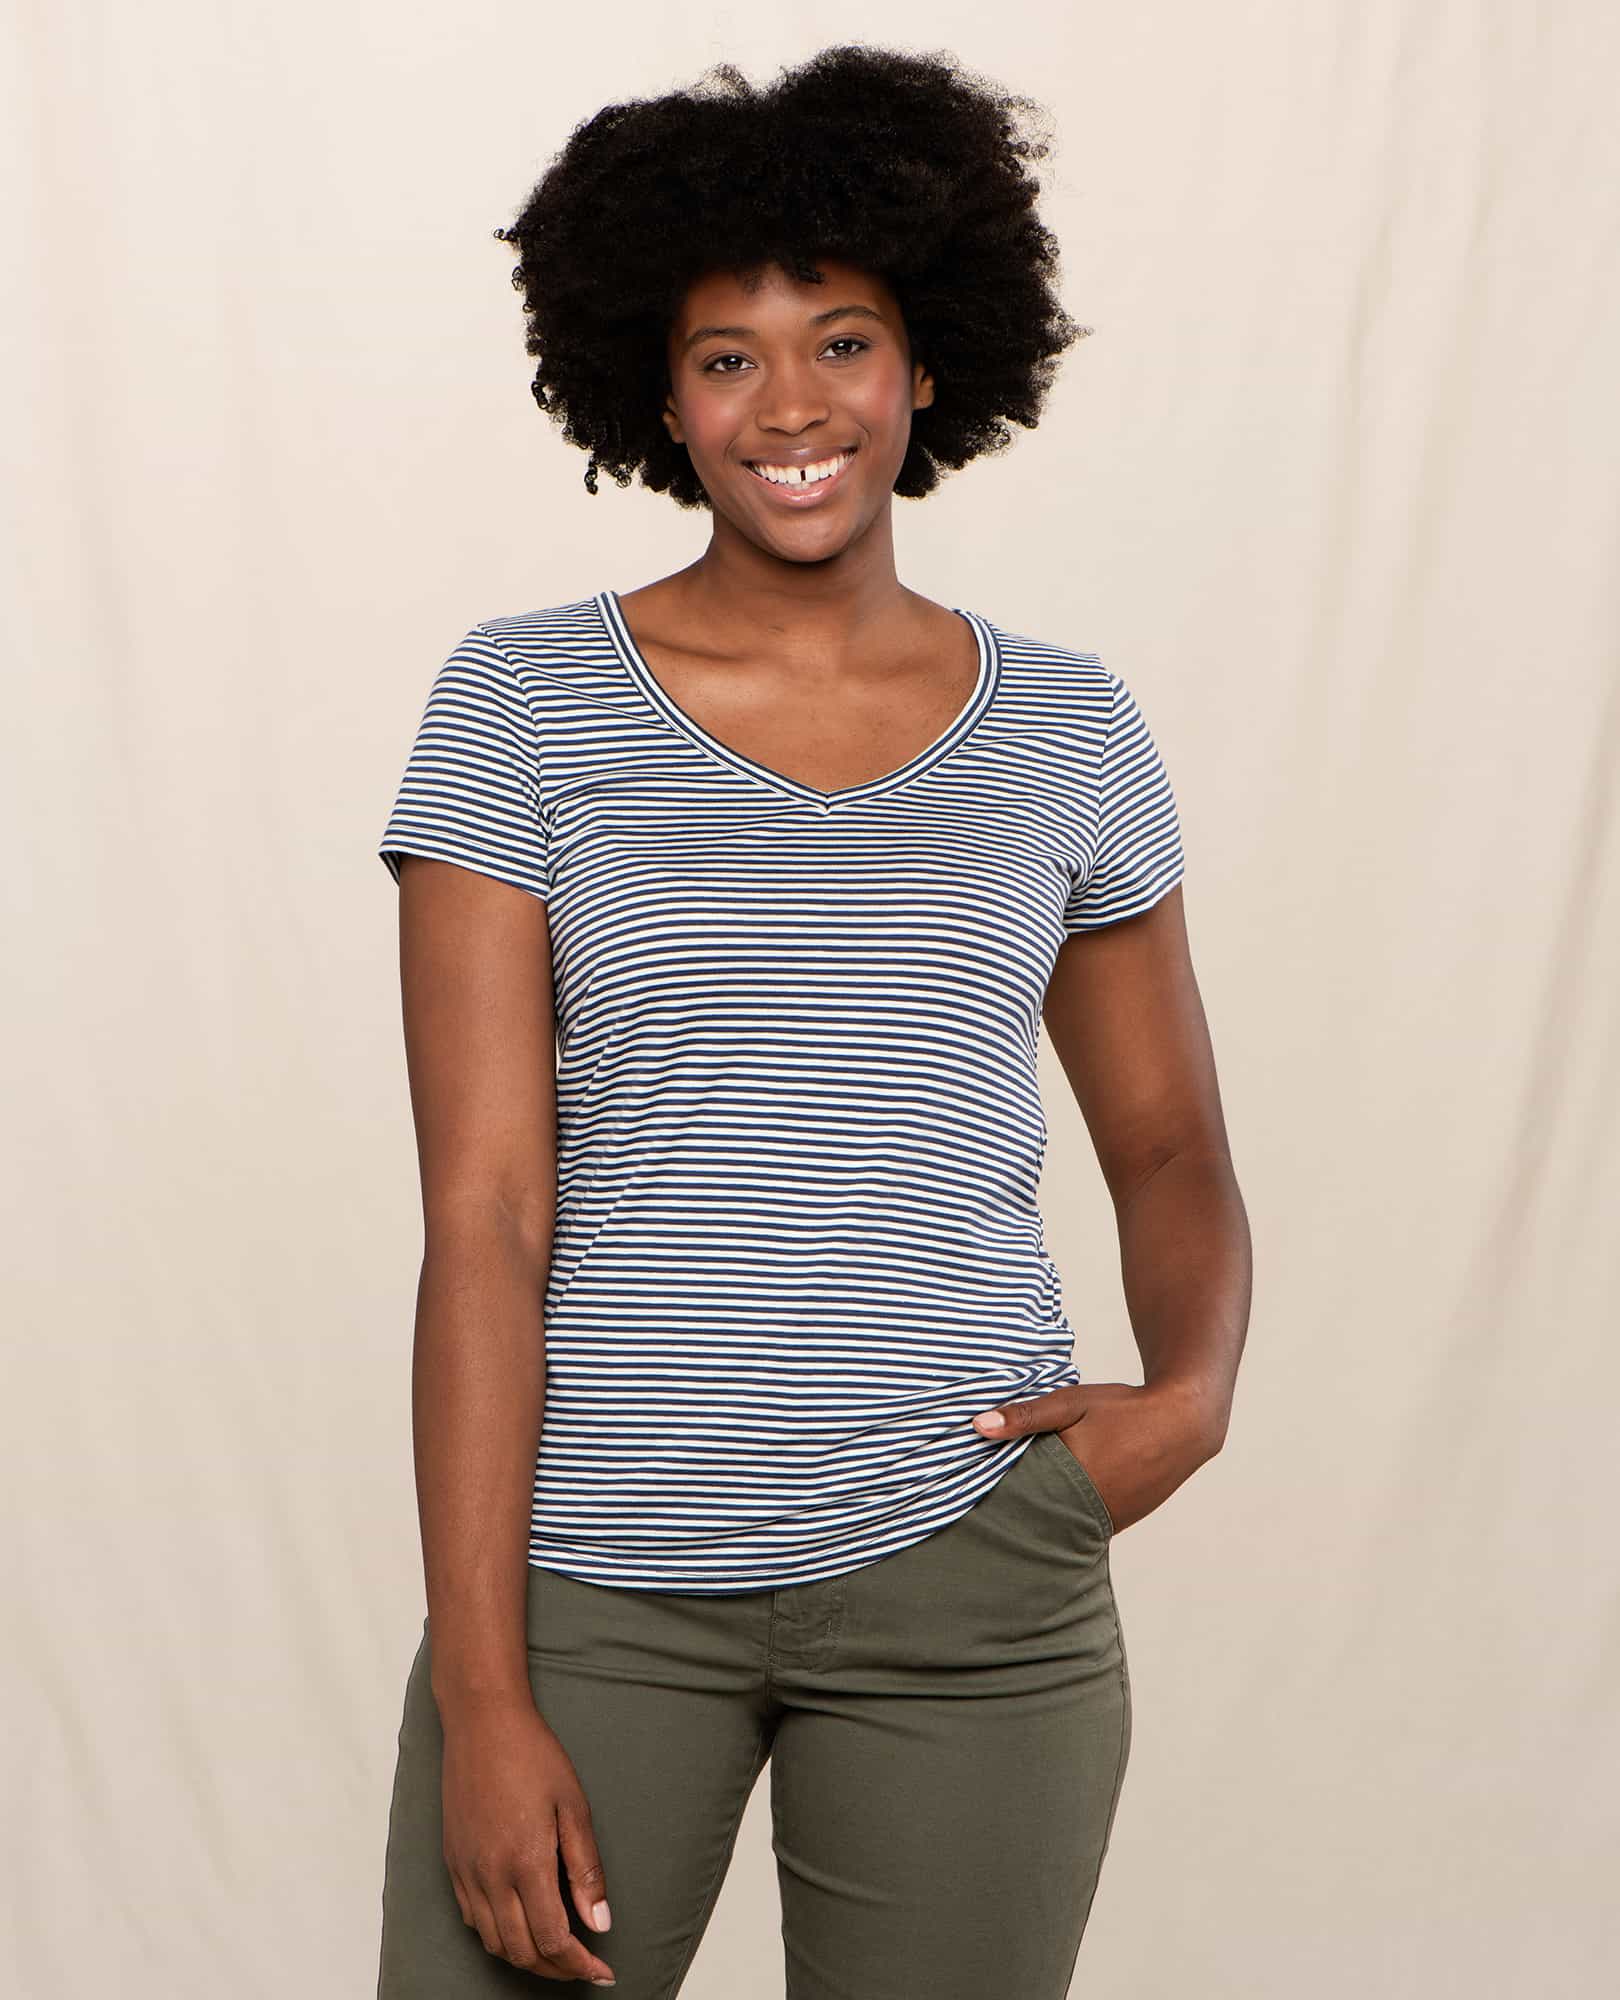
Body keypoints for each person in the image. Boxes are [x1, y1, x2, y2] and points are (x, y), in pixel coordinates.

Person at [373, 44, 1250, 2000]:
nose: (791, 407)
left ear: (928, 369)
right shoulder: (522, 704)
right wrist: (488, 1691)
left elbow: (1169, 1141)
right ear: (657, 395)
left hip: (973, 1568)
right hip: (595, 1580)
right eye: (728, 358)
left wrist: (1190, 1394)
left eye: (842, 343)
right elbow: (485, 1218)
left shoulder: (1069, 726)